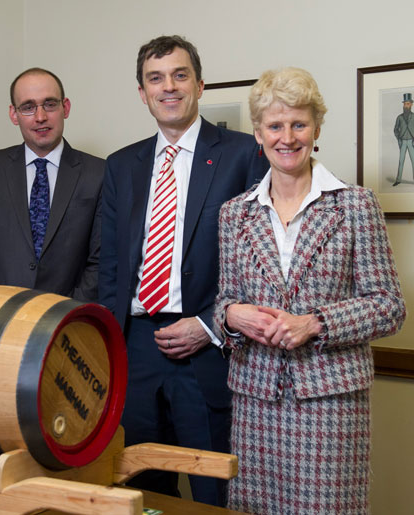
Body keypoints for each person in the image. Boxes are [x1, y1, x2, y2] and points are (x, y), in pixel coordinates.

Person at [214, 67, 406, 514]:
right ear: (258, 134)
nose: (287, 137)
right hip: (255, 402)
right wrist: (232, 316)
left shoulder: (355, 204)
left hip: (330, 404)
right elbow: (225, 299)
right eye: (275, 126)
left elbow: (389, 307)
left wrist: (315, 324)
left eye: (299, 124)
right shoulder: (234, 214)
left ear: (316, 129)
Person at [98, 35, 267, 506]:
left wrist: (208, 326)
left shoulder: (244, 155)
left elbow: (259, 268)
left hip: (206, 351)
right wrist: (111, 348)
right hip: (134, 352)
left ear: (199, 83)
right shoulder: (121, 166)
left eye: (179, 75)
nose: (168, 87)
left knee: (213, 490)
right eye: (155, 78)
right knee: (140, 488)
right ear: (142, 92)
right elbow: (110, 267)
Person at [0, 68, 104, 301]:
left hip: (71, 320)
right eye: (28, 107)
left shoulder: (99, 173)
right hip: (1, 316)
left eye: (49, 104)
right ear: (13, 114)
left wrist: (68, 311)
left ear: (65, 107)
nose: (40, 117)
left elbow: (101, 260)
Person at [393, 92, 414, 186]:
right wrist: (399, 138)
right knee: (401, 161)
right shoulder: (399, 117)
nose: (406, 105)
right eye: (405, 104)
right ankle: (398, 180)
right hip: (402, 142)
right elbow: (395, 129)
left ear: (411, 104)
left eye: (408, 103)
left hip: (412, 142)